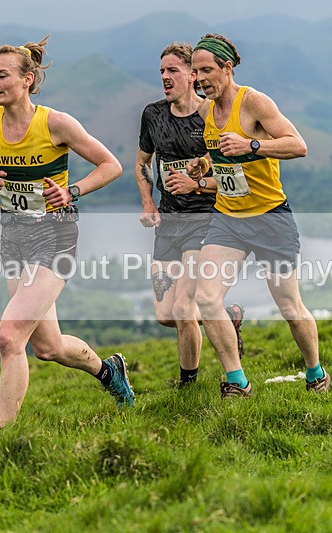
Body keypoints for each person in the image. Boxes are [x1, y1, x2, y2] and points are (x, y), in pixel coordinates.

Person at [0, 36, 134, 427]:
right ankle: (109, 372)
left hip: (55, 238)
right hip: (13, 239)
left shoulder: (55, 123)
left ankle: (4, 437)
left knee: (8, 338)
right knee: (48, 347)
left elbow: (111, 165)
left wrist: (71, 191)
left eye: (1, 76)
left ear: (28, 80)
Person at [187, 33, 331, 397]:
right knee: (206, 299)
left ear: (227, 68)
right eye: (195, 71)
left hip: (270, 218)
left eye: (207, 70)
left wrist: (253, 144)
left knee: (288, 305)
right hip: (228, 219)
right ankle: (237, 382)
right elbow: (221, 154)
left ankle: (316, 374)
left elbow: (298, 145)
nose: (199, 78)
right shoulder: (206, 110)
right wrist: (203, 164)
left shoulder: (253, 102)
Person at [135, 42, 245, 387]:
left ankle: (188, 383)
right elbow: (141, 163)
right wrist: (149, 203)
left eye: (173, 71)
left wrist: (196, 185)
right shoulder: (153, 115)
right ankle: (227, 316)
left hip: (208, 221)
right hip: (169, 222)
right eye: (162, 72)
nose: (166, 78)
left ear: (192, 74)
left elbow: (235, 179)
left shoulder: (210, 115)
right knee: (166, 315)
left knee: (185, 309)